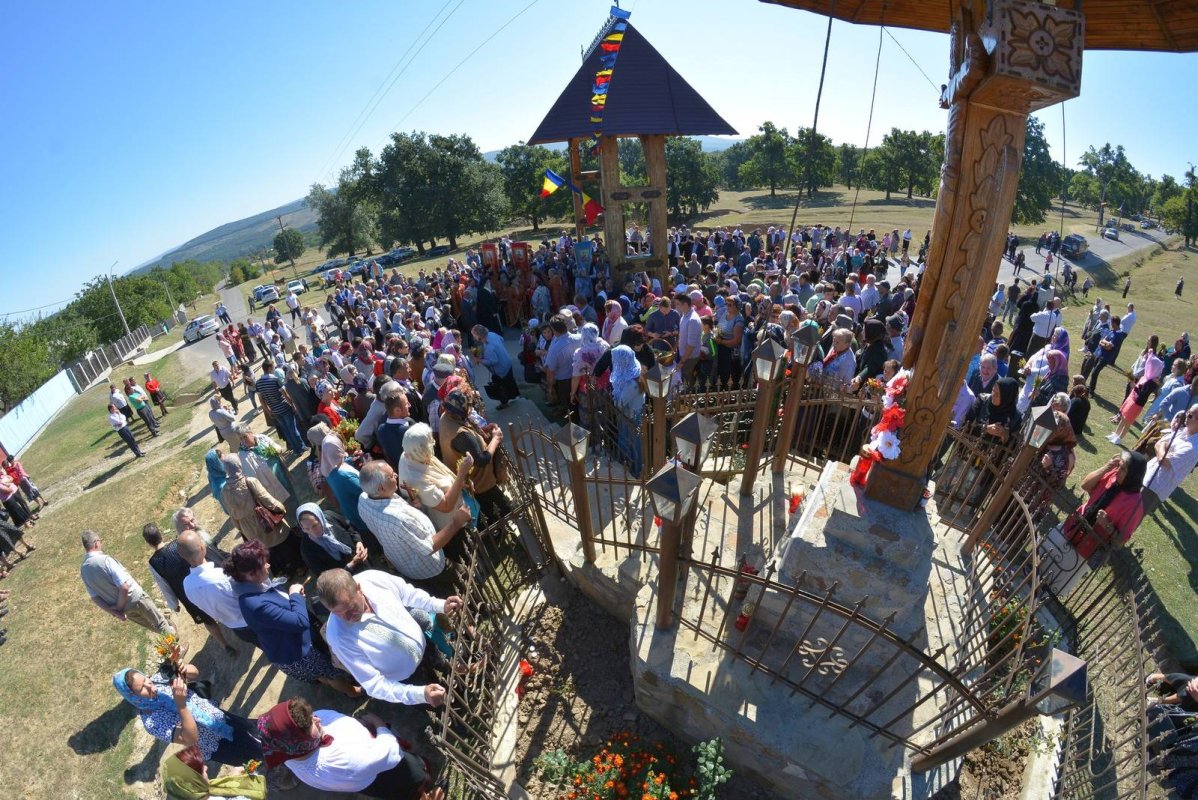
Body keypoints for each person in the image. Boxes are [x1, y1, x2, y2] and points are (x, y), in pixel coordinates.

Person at [224, 539, 362, 697]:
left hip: (295, 643)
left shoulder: (252, 585)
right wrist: (295, 596)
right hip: (297, 653)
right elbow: (299, 622)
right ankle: (354, 692)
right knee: (330, 673)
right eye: (263, 564)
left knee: (322, 673)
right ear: (250, 574)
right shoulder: (254, 605)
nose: (268, 565)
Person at [317, 568, 461, 707]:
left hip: (425, 644)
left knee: (449, 672)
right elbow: (373, 684)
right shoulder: (338, 637)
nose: (347, 617)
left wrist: (439, 605)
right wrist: (420, 695)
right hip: (406, 681)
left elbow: (408, 594)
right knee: (441, 707)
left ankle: (461, 690)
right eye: (338, 613)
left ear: (359, 588)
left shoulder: (373, 579)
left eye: (351, 608)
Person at [258, 698, 437, 799]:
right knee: (415, 782)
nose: (317, 719)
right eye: (310, 723)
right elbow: (392, 753)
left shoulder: (288, 753)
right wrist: (378, 723)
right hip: (389, 774)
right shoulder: (341, 762)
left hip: (370, 771)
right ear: (297, 743)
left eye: (311, 714)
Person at [113, 665, 263, 766]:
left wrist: (181, 666)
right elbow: (190, 738)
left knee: (260, 731)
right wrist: (181, 705)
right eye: (142, 689)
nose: (150, 686)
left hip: (220, 718)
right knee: (258, 754)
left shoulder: (159, 679)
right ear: (132, 696)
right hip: (218, 745)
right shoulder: (152, 721)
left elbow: (194, 673)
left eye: (145, 679)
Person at [358, 460, 470, 588]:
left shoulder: (364, 499)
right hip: (430, 567)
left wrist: (409, 506)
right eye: (391, 476)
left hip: (405, 564)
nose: (396, 475)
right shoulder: (396, 519)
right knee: (465, 581)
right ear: (381, 488)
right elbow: (427, 548)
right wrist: (457, 522)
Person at [143, 523, 237, 656]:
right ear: (160, 534)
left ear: (148, 543)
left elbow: (164, 586)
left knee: (207, 620)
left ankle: (225, 645)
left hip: (187, 594)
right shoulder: (179, 544)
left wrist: (174, 604)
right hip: (201, 581)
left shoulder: (154, 563)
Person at [438, 389, 511, 527]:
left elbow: (469, 436)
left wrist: (483, 432)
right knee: (503, 510)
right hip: (480, 482)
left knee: (491, 511)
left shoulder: (445, 418)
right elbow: (482, 460)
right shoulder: (462, 435)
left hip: (468, 479)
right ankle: (499, 533)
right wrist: (496, 439)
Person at [218, 454, 299, 574]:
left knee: (265, 550)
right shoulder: (250, 481)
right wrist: (281, 509)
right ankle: (298, 568)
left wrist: (241, 528)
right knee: (282, 541)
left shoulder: (224, 491)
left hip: (247, 527)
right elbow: (267, 499)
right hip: (264, 520)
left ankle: (281, 571)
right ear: (238, 465)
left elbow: (232, 515)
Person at [178, 530, 261, 648]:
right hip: (253, 620)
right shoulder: (222, 575)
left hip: (236, 628)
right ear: (202, 548)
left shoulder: (186, 585)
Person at [81, 530, 173, 634]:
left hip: (126, 610)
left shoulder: (83, 570)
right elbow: (124, 587)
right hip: (136, 598)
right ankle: (176, 647)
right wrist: (119, 606)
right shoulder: (105, 561)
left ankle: (170, 637)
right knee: (160, 623)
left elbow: (95, 598)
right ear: (96, 542)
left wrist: (115, 612)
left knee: (152, 626)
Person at [1142, 407, 1198, 513]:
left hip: (1154, 488)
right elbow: (1158, 443)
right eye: (1188, 412)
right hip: (1147, 474)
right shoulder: (1183, 432)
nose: (1186, 416)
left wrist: (1163, 448)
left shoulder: (1193, 449)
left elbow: (1164, 461)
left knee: (1127, 519)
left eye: (1191, 416)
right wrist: (1163, 448)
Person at [161, 744, 267, 799]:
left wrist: (233, 778)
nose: (206, 768)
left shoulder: (194, 793)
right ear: (193, 784)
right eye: (201, 770)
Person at [296, 502, 371, 578]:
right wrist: (351, 565)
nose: (313, 531)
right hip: (345, 581)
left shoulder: (330, 517)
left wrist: (358, 542)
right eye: (306, 529)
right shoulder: (306, 549)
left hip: (362, 562)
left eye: (315, 525)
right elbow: (323, 577)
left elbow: (348, 527)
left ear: (321, 518)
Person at [472, 324, 520, 409]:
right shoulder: (491, 334)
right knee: (510, 381)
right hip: (507, 361)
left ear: (479, 335)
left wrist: (480, 360)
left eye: (474, 335)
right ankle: (514, 395)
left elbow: (493, 361)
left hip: (501, 369)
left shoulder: (489, 348)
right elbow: (501, 339)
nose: (473, 337)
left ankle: (504, 403)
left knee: (502, 387)